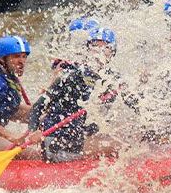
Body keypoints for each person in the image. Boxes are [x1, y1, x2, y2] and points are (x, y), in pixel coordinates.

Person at [28, 27, 124, 162]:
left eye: (106, 48)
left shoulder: (112, 80)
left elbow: (133, 103)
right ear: (88, 50)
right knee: (120, 146)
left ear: (112, 52)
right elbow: (37, 107)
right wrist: (33, 132)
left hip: (78, 140)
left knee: (124, 136)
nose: (99, 52)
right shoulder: (71, 76)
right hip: (57, 143)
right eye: (95, 47)